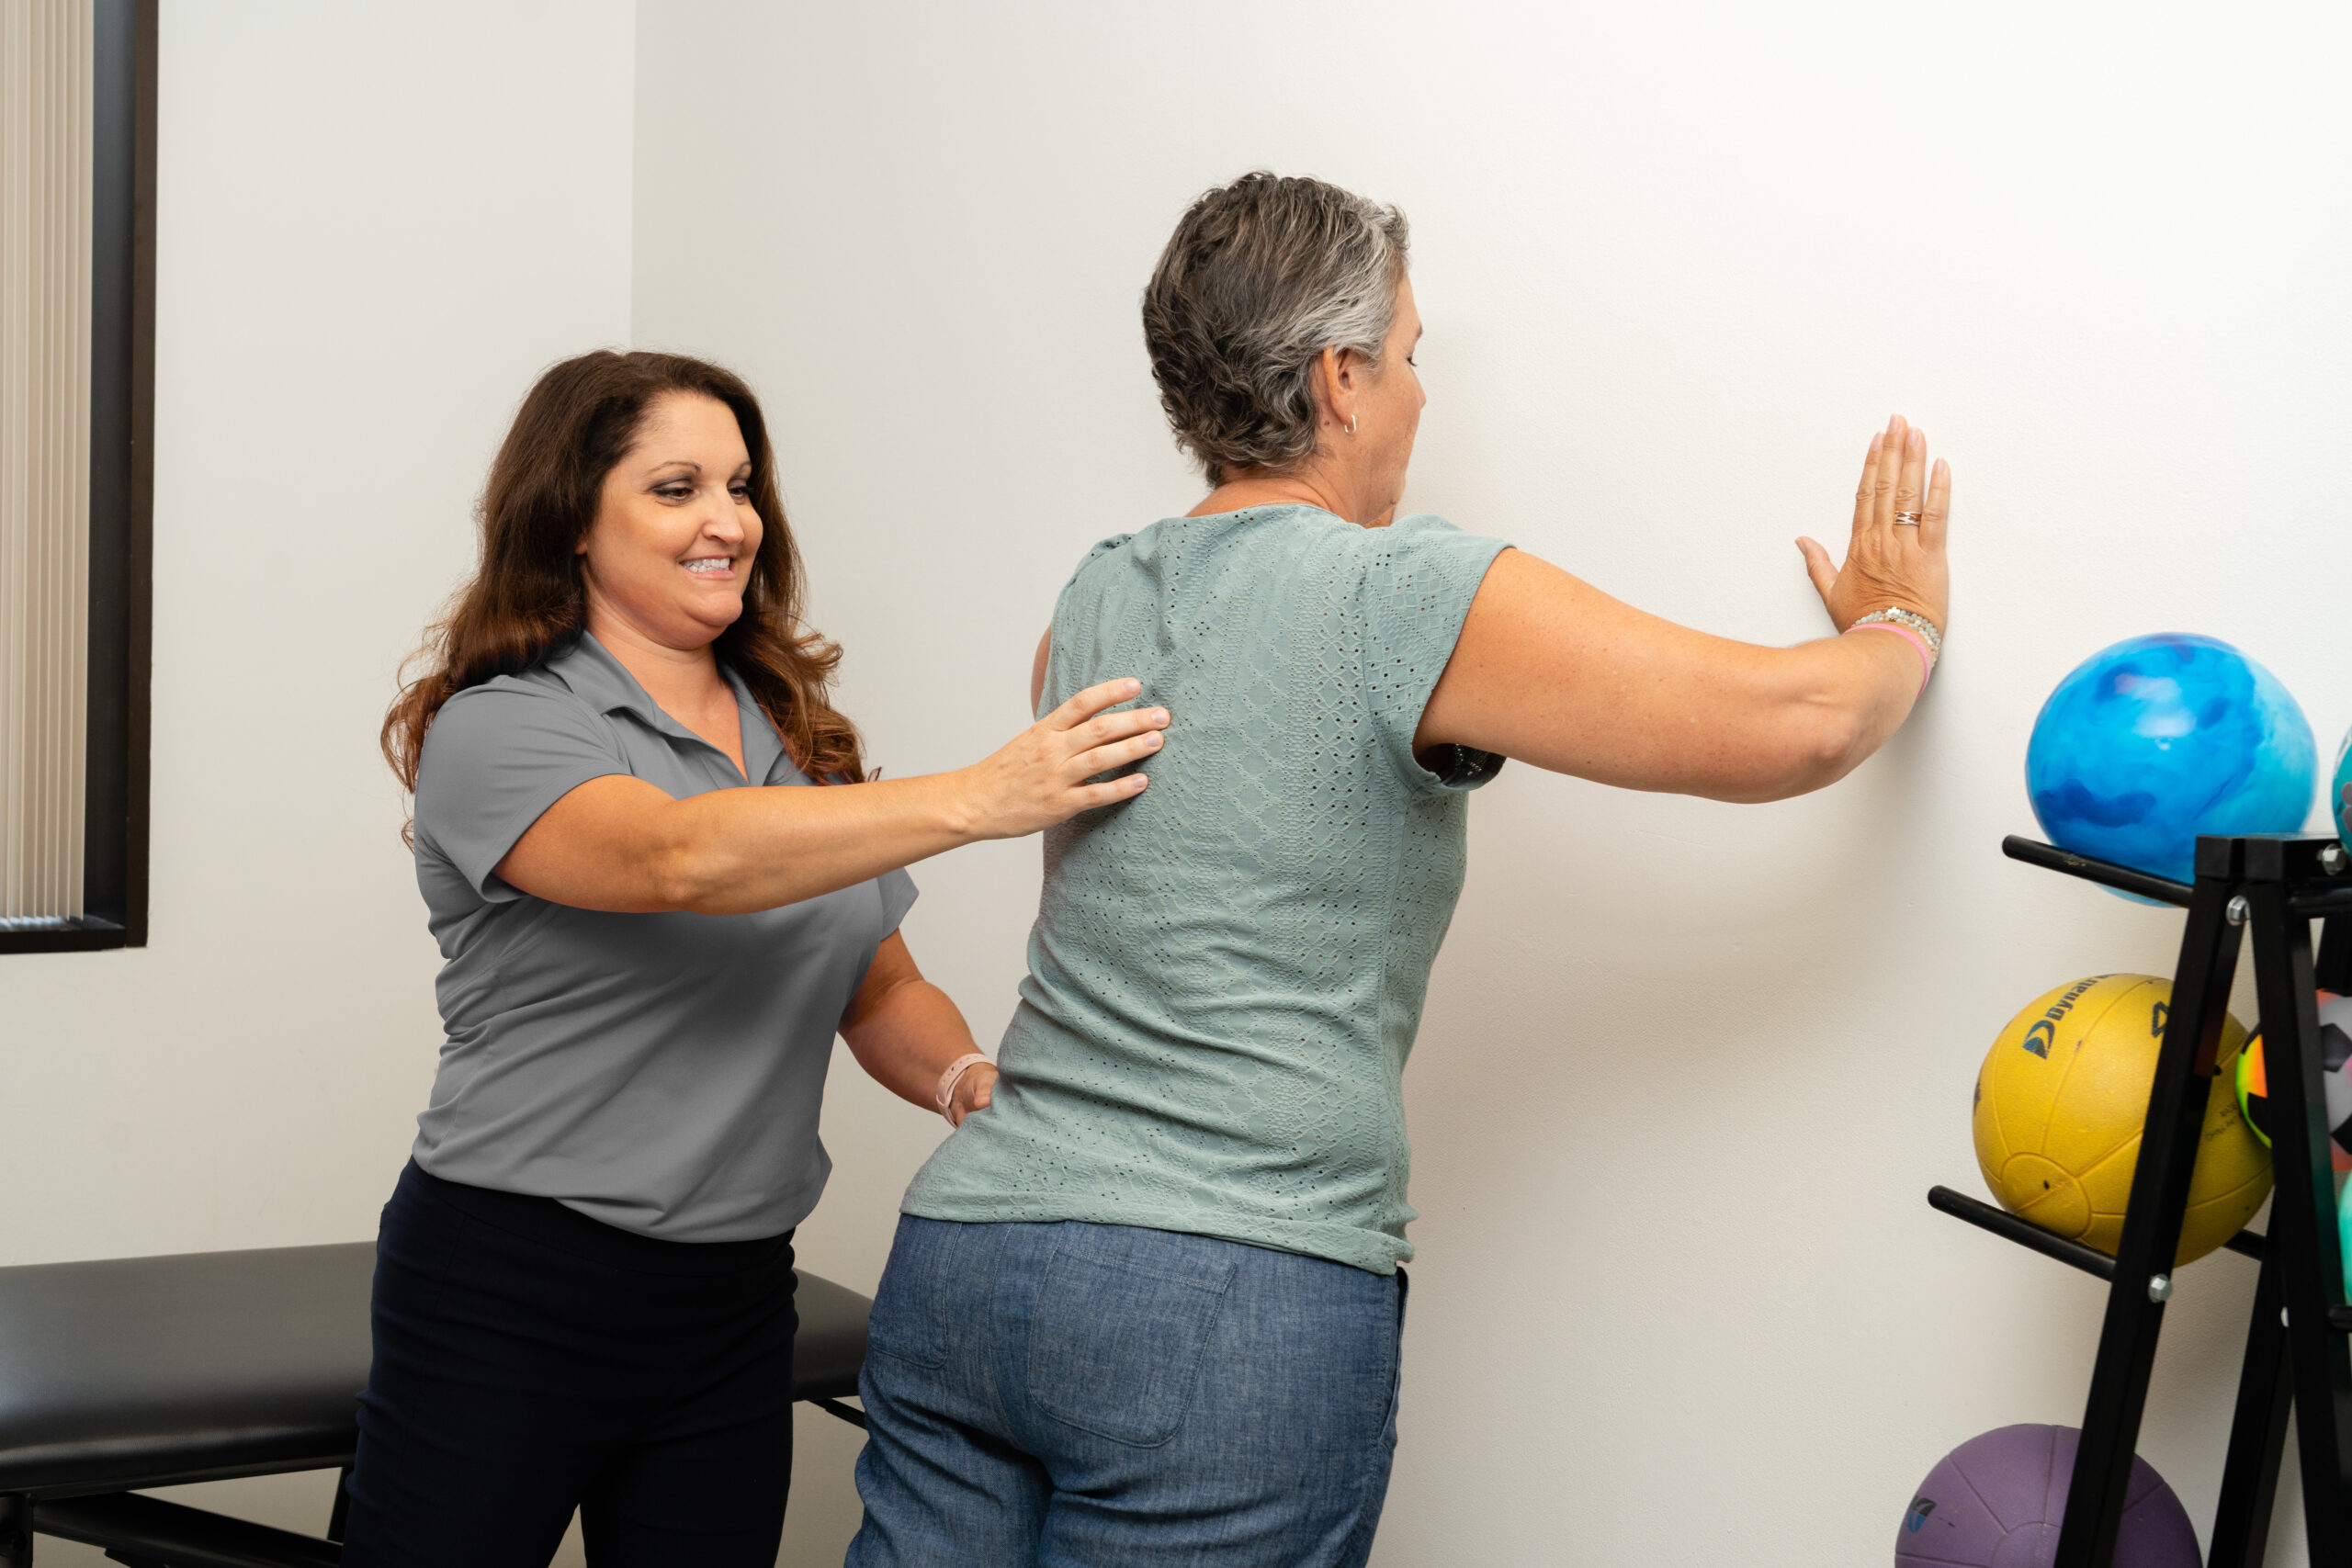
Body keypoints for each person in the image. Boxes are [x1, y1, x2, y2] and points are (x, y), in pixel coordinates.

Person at [844, 173, 1951, 1567]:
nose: (1425, 393)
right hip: (1219, 1294)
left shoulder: (1098, 591)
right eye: (1414, 357)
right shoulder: (1397, 591)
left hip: (968, 1263)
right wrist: (1903, 620)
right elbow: (1796, 727)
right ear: (1341, 379)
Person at [341, 350, 1169, 1568]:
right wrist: (984, 797)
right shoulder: (504, 725)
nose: (728, 520)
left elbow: (876, 981)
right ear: (573, 516)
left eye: (740, 486)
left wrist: (968, 1085)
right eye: (676, 488)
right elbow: (677, 858)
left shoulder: (793, 736)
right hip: (513, 1283)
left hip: (730, 1301)